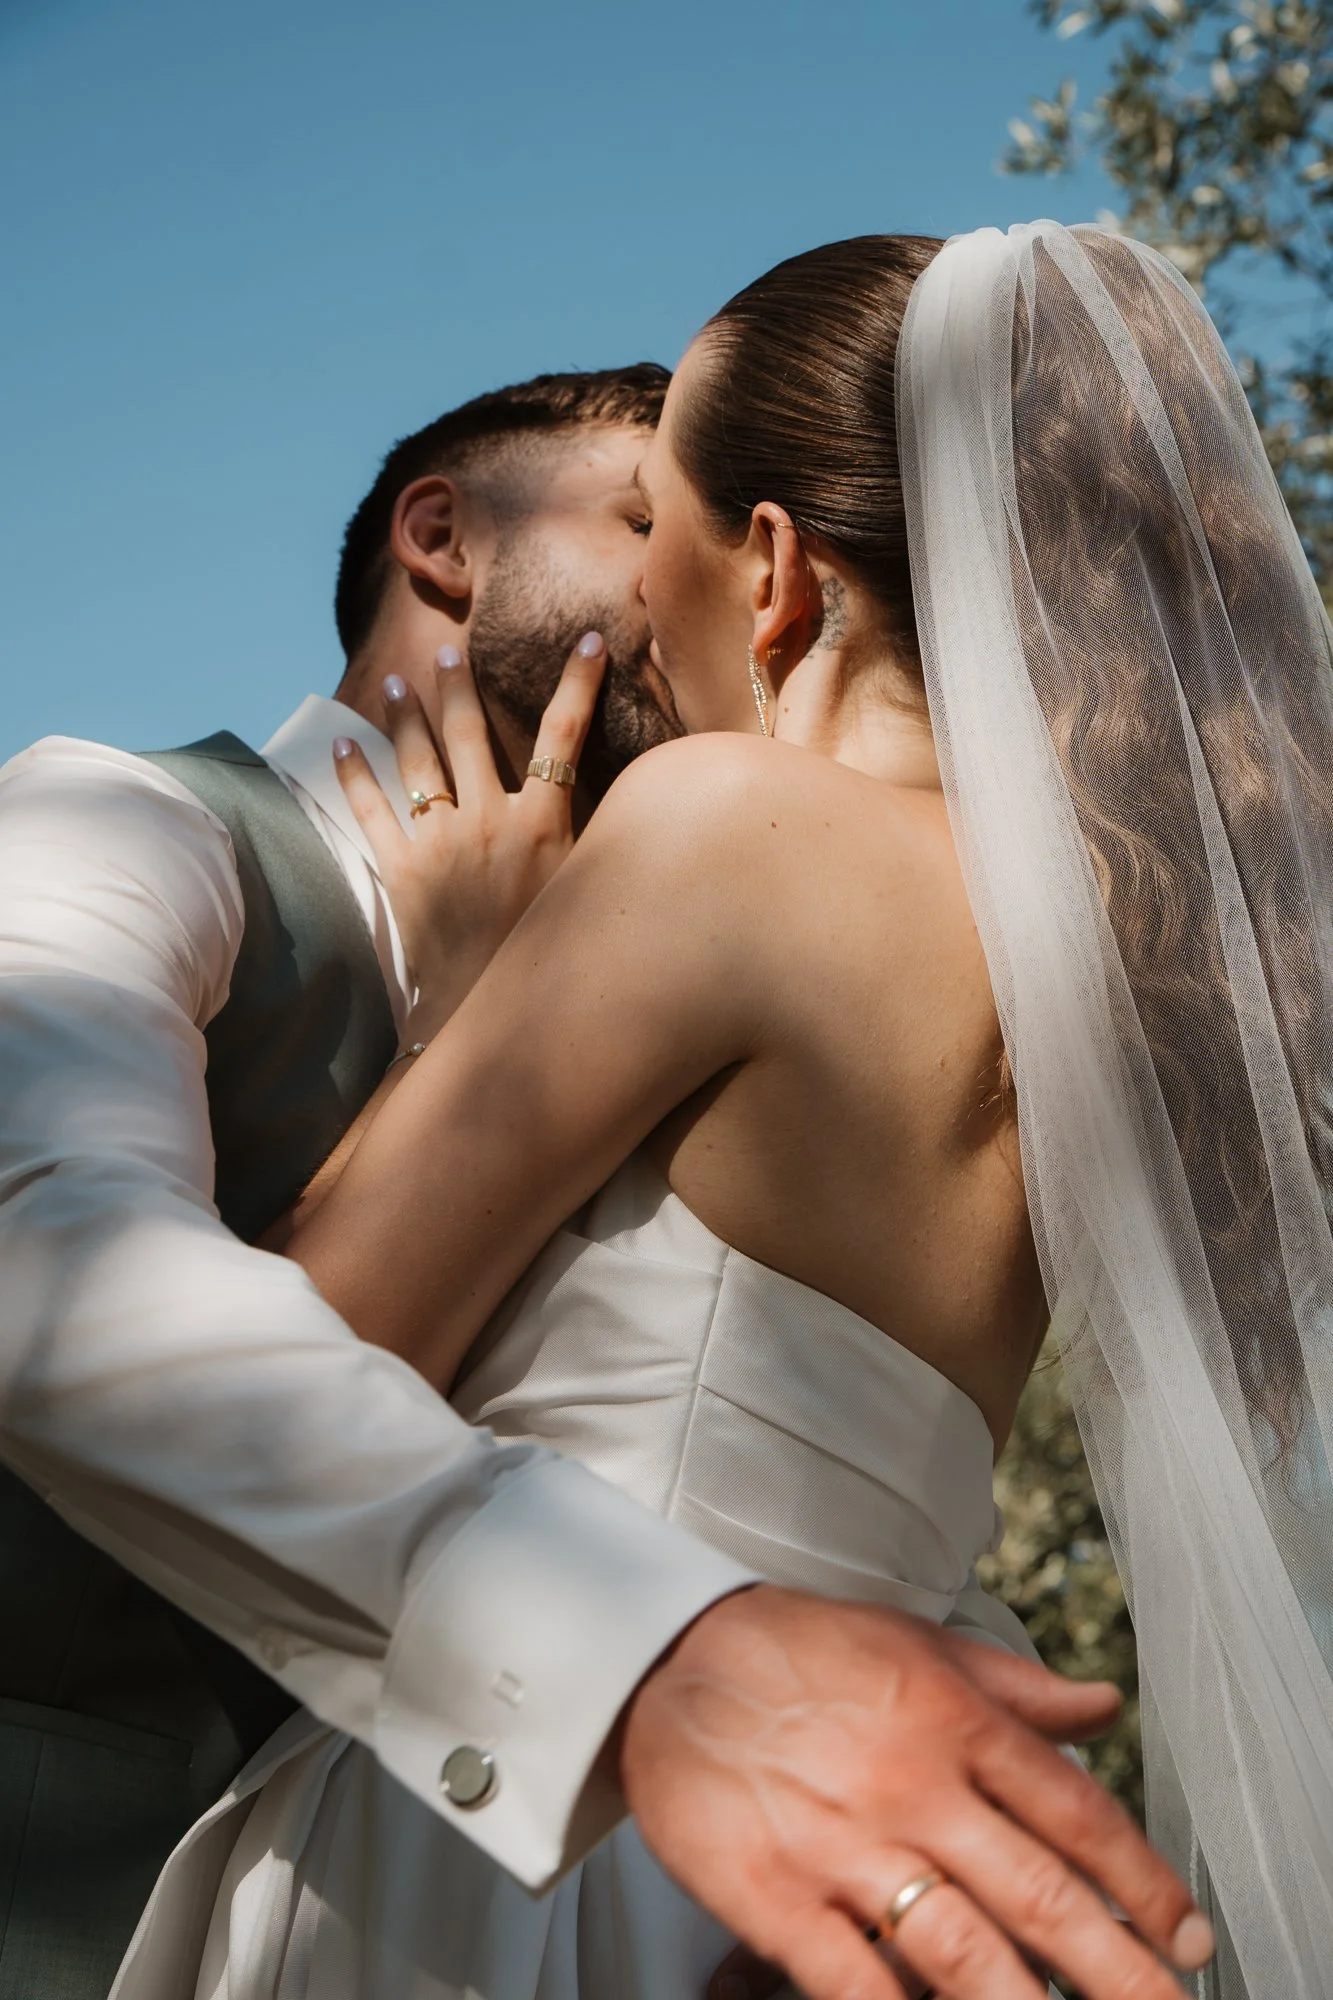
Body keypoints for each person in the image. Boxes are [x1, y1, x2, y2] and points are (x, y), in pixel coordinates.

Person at [110, 230, 1239, 2000]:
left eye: (669, 540)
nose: (646, 611)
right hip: (907, 1814)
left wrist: (473, 998)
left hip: (583, 1824)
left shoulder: (732, 832)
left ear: (774, 573)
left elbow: (321, 1352)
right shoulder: (1117, 972)